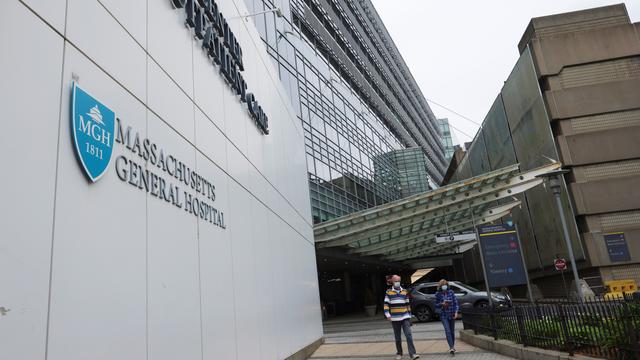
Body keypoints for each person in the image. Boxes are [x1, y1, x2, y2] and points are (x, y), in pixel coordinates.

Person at [384, 275, 420, 360]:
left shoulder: (404, 291)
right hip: (395, 318)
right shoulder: (388, 292)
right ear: (392, 282)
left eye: (398, 281)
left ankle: (413, 354)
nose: (397, 283)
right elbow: (386, 305)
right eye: (395, 281)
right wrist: (387, 315)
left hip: (405, 317)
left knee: (408, 335)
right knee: (397, 337)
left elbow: (407, 304)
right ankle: (399, 353)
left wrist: (410, 315)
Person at [435, 279, 459, 354]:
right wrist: (442, 304)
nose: (444, 286)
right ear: (440, 286)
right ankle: (451, 347)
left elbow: (456, 303)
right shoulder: (438, 294)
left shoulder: (451, 292)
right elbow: (436, 304)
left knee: (452, 332)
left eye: (445, 285)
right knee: (447, 331)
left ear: (447, 285)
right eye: (442, 285)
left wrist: (456, 312)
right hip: (443, 315)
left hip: (451, 314)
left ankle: (453, 347)